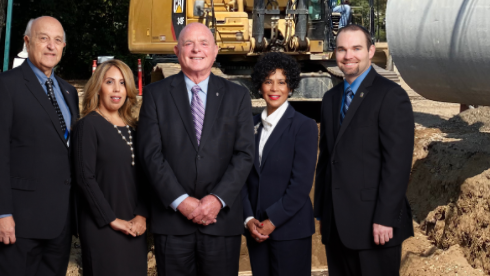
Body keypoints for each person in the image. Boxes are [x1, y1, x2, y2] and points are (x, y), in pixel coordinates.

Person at [137, 22, 254, 276]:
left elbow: (244, 154)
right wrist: (181, 202)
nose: (196, 50)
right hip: (172, 223)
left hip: (220, 221)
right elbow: (150, 155)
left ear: (215, 51)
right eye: (188, 43)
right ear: (177, 51)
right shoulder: (155, 94)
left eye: (204, 43)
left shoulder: (237, 96)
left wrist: (217, 199)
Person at [0, 16, 79, 276]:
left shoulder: (68, 92)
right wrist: (0, 213)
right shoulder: (4, 86)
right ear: (27, 42)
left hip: (58, 225)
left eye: (57, 41)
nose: (51, 46)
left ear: (64, 46)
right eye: (44, 39)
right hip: (16, 222)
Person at [314, 25, 415, 276]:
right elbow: (328, 159)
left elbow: (397, 165)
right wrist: (322, 212)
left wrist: (385, 217)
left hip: (375, 226)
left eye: (356, 48)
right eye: (342, 49)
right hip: (337, 226)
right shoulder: (330, 99)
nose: (349, 56)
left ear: (371, 51)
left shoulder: (391, 96)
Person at [242, 52, 318, 276]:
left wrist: (272, 220)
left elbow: (301, 184)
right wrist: (248, 219)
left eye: (281, 82)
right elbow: (242, 177)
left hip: (290, 229)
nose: (275, 88)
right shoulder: (249, 126)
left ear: (291, 86)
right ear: (260, 86)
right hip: (256, 230)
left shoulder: (304, 126)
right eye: (268, 81)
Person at [72, 59, 148, 275]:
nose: (117, 89)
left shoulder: (135, 128)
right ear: (98, 87)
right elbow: (84, 178)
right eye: (109, 82)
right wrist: (113, 220)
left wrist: (141, 216)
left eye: (122, 83)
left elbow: (145, 177)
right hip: (103, 226)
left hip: (135, 226)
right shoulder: (88, 126)